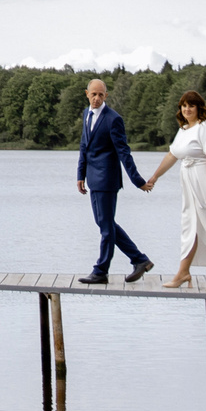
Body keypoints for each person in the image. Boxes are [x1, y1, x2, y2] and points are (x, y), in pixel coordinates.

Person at [141, 90, 206, 291]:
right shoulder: (184, 130)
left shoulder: (205, 127)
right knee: (189, 226)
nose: (187, 109)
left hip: (204, 180)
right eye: (184, 106)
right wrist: (155, 176)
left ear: (198, 108)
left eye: (191, 105)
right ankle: (183, 273)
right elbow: (172, 155)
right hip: (188, 183)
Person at [72, 77, 154, 285]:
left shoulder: (113, 119)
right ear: (87, 94)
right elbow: (84, 145)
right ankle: (140, 259)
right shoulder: (86, 114)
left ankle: (101, 271)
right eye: (93, 94)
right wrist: (80, 174)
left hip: (107, 180)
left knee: (106, 227)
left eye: (101, 95)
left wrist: (138, 180)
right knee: (104, 223)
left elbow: (124, 153)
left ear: (106, 96)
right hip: (92, 178)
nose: (97, 98)